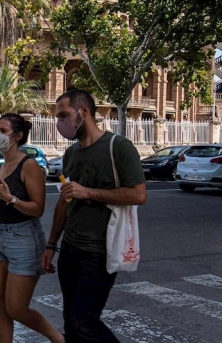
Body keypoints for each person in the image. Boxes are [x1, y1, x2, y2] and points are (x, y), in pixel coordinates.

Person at [42, 90, 147, 342]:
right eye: (58, 118)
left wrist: (87, 191)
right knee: (71, 321)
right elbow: (65, 201)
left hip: (99, 252)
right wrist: (51, 244)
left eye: (64, 116)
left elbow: (138, 195)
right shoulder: (71, 154)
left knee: (84, 321)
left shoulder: (118, 147)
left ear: (84, 112)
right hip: (70, 250)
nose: (60, 124)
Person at [0, 113, 64, 343]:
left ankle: (59, 339)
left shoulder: (28, 165)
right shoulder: (2, 165)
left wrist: (11, 200)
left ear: (18, 136)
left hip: (24, 238)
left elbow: (38, 208)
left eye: (3, 131)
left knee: (17, 309)